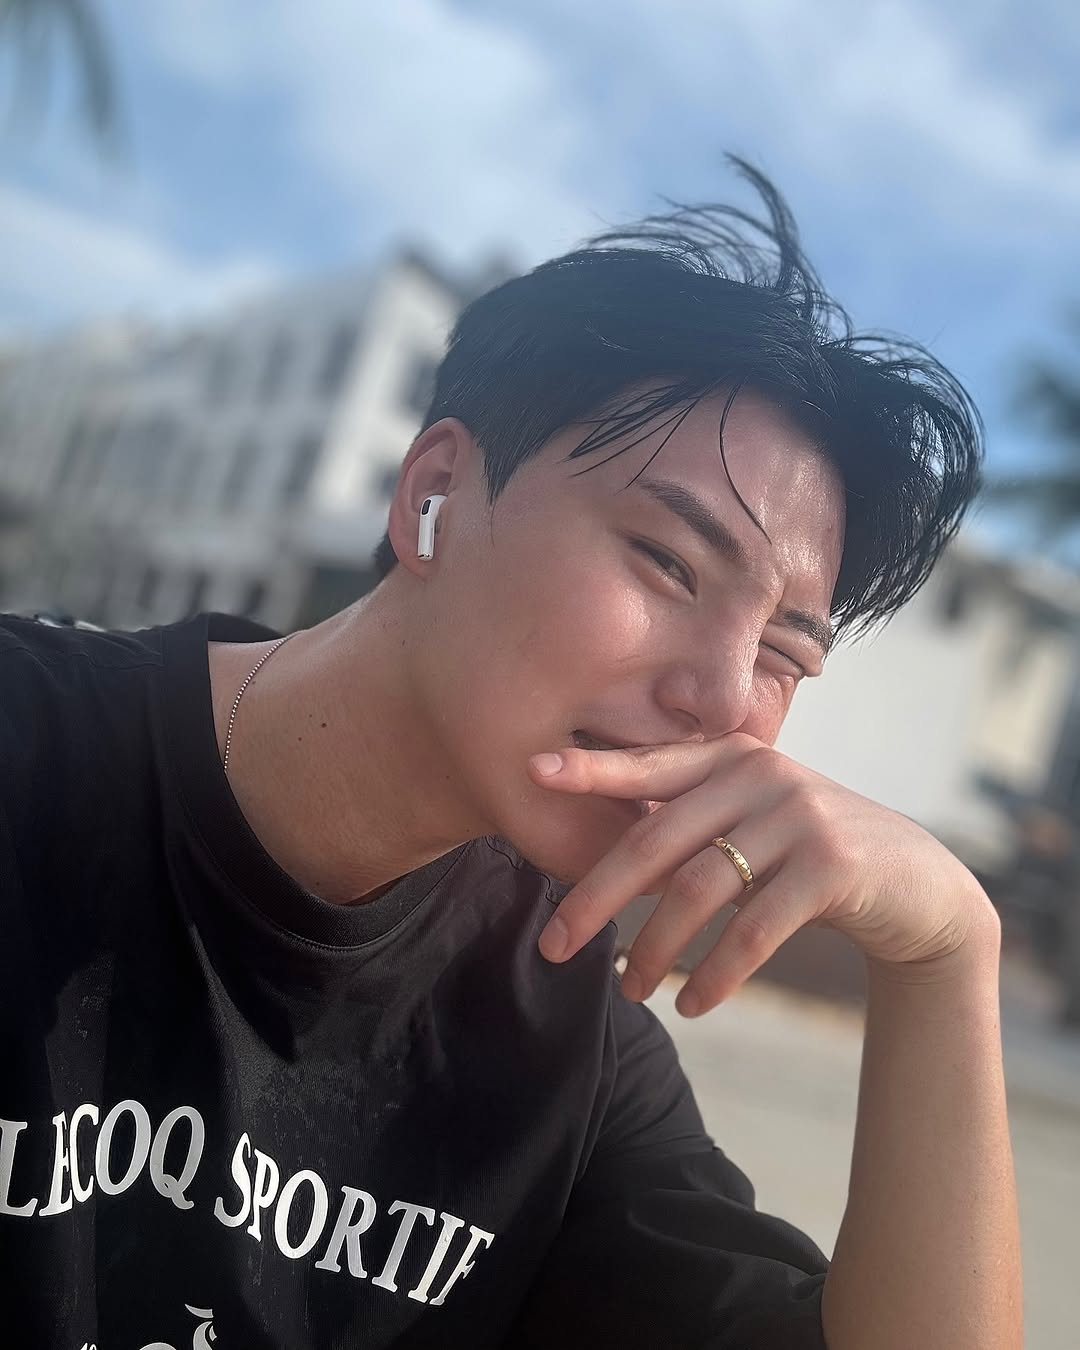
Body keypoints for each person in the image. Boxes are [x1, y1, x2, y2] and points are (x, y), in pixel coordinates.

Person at [0, 159, 1021, 1349]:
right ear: (432, 494)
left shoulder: (562, 1028)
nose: (719, 697)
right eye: (669, 562)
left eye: (785, 654)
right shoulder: (34, 750)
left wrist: (948, 954)